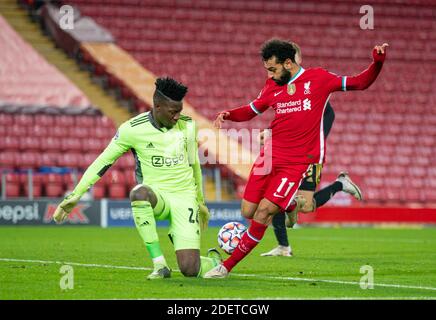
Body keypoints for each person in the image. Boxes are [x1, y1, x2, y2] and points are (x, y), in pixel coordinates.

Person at [205, 39, 388, 278]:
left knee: (263, 214)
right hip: (268, 157)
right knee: (248, 210)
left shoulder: (319, 79)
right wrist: (229, 115)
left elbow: (360, 82)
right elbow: (252, 109)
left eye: (273, 69)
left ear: (288, 63)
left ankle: (226, 267)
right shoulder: (272, 85)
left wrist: (377, 62)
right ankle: (289, 203)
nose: (270, 74)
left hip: (296, 163)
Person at [53, 77, 222, 279]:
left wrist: (200, 202)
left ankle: (212, 260)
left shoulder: (188, 126)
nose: (178, 116)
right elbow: (102, 162)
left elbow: (194, 164)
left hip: (184, 198)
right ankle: (159, 265)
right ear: (157, 106)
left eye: (180, 111)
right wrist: (76, 194)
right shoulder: (132, 129)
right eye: (173, 112)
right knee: (138, 192)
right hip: (157, 195)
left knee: (190, 270)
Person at [260, 43, 362, 257]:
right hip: (287, 154)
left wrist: (309, 145)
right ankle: (283, 246)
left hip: (307, 156)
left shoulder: (314, 90)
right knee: (274, 197)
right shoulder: (282, 87)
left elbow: (327, 117)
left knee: (305, 206)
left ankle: (339, 184)